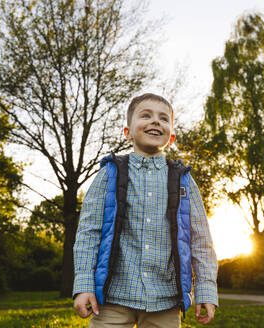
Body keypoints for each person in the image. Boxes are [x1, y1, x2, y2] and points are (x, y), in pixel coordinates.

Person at [73, 93, 218, 327]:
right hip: (113, 298)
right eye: (146, 115)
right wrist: (83, 284)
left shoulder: (183, 181)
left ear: (170, 137)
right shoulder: (110, 174)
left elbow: (201, 241)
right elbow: (89, 233)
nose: (155, 121)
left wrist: (205, 291)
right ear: (127, 132)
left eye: (163, 118)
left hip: (165, 300)